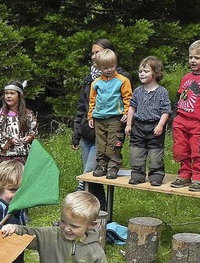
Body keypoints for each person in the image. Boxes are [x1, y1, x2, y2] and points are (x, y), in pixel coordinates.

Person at [72, 39, 124, 209]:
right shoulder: (90, 79)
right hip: (87, 134)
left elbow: (126, 106)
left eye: (97, 52)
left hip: (104, 135)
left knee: (86, 178)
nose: (93, 56)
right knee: (94, 181)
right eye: (92, 53)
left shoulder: (120, 78)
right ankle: (103, 214)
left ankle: (74, 211)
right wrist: (76, 135)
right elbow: (82, 108)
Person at [171, 39, 200, 192]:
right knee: (180, 149)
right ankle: (184, 174)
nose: (192, 60)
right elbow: (179, 97)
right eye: (191, 57)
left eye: (197, 58)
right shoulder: (186, 77)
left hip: (198, 123)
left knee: (197, 150)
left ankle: (198, 177)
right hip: (181, 120)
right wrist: (174, 117)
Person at [124, 56, 172, 186]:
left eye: (145, 71)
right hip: (139, 126)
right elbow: (132, 108)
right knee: (136, 152)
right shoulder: (138, 91)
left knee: (155, 153)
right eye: (140, 71)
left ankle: (156, 175)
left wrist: (160, 125)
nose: (141, 74)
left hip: (154, 126)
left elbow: (166, 111)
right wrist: (129, 124)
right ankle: (137, 174)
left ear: (156, 73)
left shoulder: (162, 92)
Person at [88, 48, 132, 180]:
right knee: (101, 144)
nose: (109, 69)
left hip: (115, 118)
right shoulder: (96, 83)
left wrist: (126, 111)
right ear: (99, 67)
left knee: (113, 143)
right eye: (105, 67)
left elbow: (128, 98)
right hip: (99, 118)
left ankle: (113, 166)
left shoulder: (122, 80)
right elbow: (92, 100)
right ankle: (102, 165)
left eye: (112, 66)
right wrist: (90, 115)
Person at [0, 80, 38, 181]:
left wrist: (29, 137)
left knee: (20, 182)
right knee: (4, 182)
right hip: (4, 156)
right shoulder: (1, 115)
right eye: (6, 93)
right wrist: (10, 140)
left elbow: (33, 129)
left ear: (19, 96)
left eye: (12, 93)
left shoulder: (28, 114)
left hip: (22, 156)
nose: (8, 96)